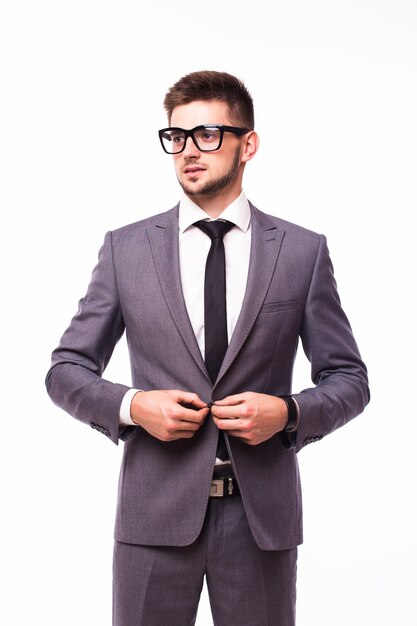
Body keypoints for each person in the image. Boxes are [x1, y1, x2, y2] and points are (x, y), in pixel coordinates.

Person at [46, 70, 370, 626]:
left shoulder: (301, 252)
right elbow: (66, 370)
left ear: (249, 144)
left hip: (259, 520)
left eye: (207, 134)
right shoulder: (126, 250)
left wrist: (289, 413)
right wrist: (133, 406)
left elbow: (348, 378)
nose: (188, 151)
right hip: (153, 517)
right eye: (176, 137)